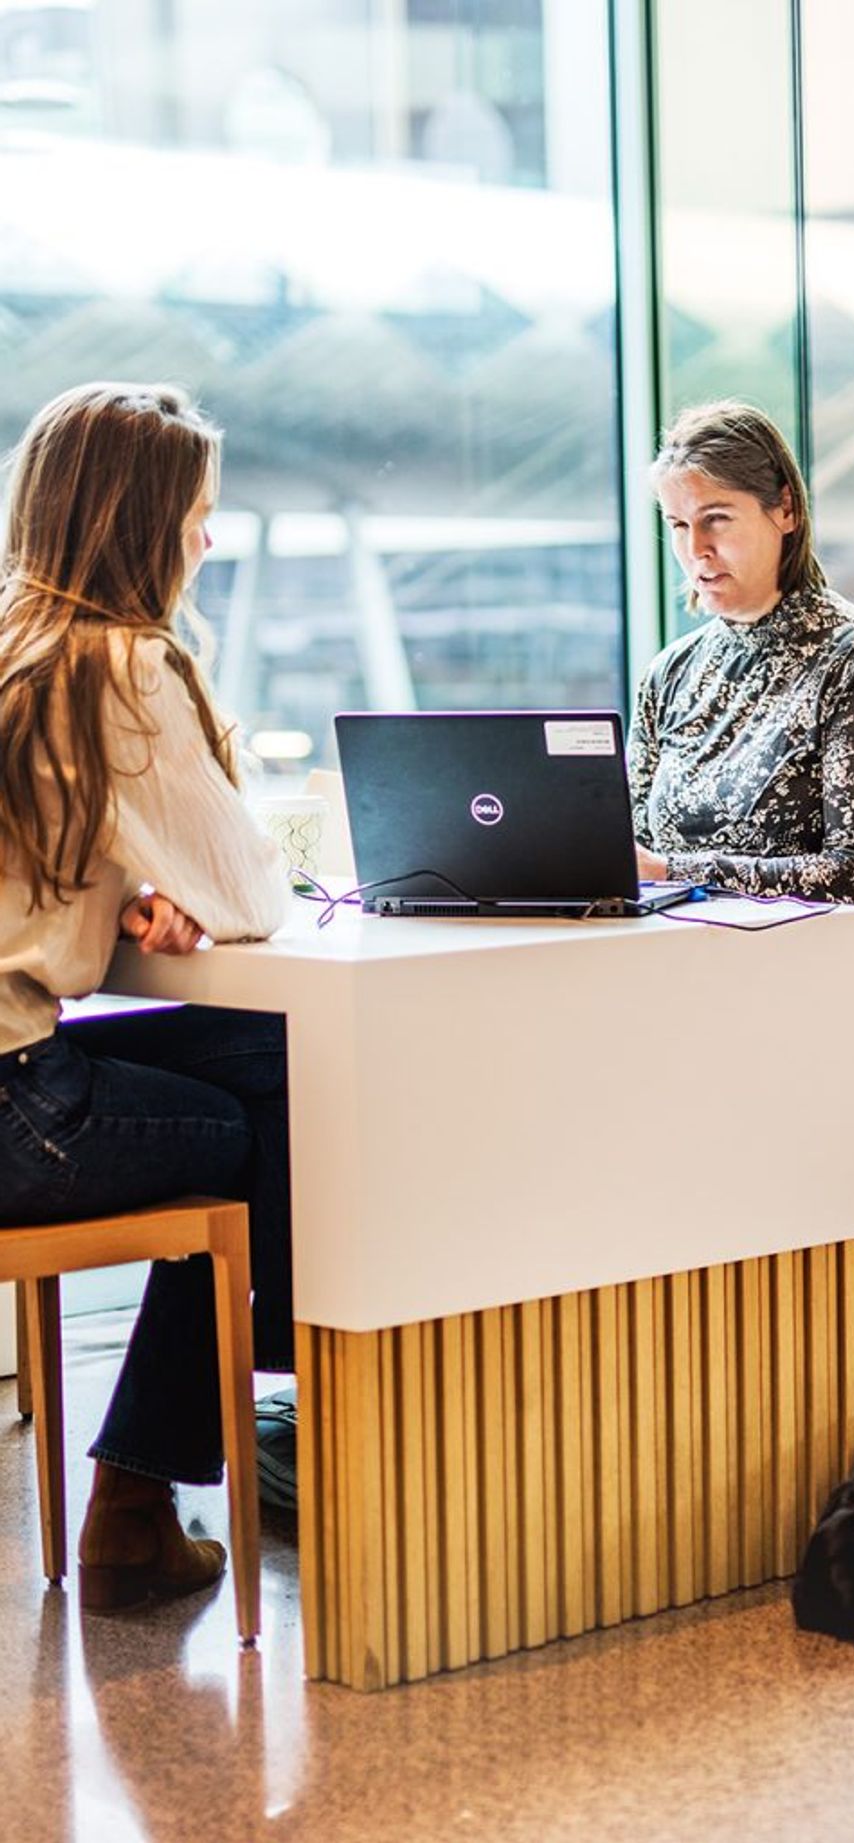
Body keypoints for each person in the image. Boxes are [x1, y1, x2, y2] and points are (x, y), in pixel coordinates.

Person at [0, 382, 292, 1610]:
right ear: (140, 525)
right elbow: (253, 888)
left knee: (251, 1062)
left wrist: (130, 887)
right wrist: (182, 884)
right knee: (266, 1113)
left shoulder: (16, 649)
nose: (206, 543)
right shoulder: (118, 665)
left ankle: (169, 1466)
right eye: (197, 517)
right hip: (19, 1112)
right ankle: (182, 1462)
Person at [630, 399, 854, 1112]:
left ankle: (747, 1229)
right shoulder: (670, 675)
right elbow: (624, 847)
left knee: (706, 1058)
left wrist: (674, 871)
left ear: (783, 509)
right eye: (678, 526)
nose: (695, 550)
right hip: (702, 974)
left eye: (716, 519)